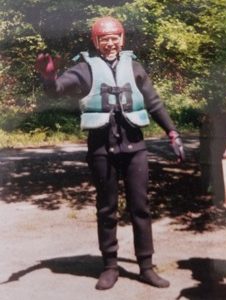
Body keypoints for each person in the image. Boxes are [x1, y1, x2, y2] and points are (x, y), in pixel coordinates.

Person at [35, 16, 185, 290]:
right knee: (106, 209)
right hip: (102, 149)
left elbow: (153, 102)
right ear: (95, 42)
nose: (110, 43)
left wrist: (172, 132)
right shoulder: (84, 69)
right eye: (104, 39)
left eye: (115, 37)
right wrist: (48, 77)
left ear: (122, 39)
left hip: (135, 148)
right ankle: (110, 266)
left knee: (141, 208)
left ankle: (146, 266)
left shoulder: (135, 67)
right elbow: (57, 90)